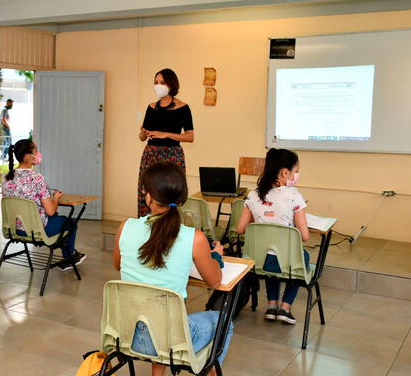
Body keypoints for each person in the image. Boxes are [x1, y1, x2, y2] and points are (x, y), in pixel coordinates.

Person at [113, 162, 232, 376]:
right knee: (223, 321)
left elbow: (117, 264)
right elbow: (215, 281)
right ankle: (207, 370)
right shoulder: (194, 238)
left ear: (148, 195)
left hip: (127, 336)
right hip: (171, 343)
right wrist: (216, 256)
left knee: (157, 315)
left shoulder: (125, 227)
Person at [235, 148, 310, 325]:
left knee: (270, 252)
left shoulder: (253, 195)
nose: (296, 175)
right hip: (286, 264)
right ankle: (285, 307)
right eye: (295, 172)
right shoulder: (293, 196)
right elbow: (305, 236)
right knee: (300, 257)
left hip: (259, 262)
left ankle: (271, 305)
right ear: (285, 172)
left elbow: (239, 229)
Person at [1, 139, 86, 271]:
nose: (38, 153)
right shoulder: (37, 178)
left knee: (60, 220)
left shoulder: (6, 178)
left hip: (14, 229)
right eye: (35, 151)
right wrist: (55, 198)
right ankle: (69, 257)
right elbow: (51, 211)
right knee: (71, 222)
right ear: (28, 156)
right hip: (37, 230)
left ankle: (71, 255)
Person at [137, 68, 194, 217]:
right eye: (156, 82)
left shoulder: (183, 108)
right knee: (148, 189)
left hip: (172, 155)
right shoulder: (151, 107)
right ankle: (147, 224)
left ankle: (169, 225)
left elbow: (190, 137)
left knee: (168, 192)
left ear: (171, 84)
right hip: (151, 154)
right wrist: (143, 133)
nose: (158, 85)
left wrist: (166, 134)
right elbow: (142, 138)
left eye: (162, 82)